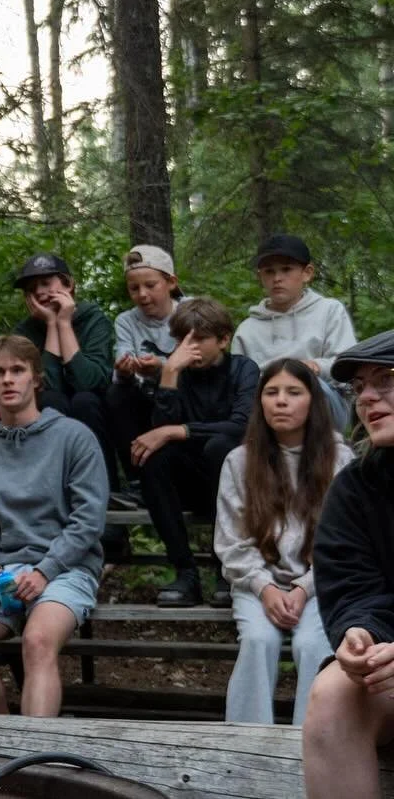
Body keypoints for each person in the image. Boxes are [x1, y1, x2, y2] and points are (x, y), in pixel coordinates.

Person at [0, 335, 107, 717]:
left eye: (17, 370)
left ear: (36, 379)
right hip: (3, 574)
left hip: (65, 569)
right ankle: (3, 749)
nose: (8, 380)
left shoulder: (74, 437)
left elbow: (88, 519)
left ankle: (33, 762)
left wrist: (46, 570)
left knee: (37, 640)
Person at [215, 358, 349, 725]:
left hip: (321, 585)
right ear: (260, 402)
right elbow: (232, 542)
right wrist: (265, 588)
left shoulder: (340, 460)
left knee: (311, 645)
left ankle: (312, 744)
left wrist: (304, 589)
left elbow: (342, 545)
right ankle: (245, 748)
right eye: (271, 393)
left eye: (294, 392)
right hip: (256, 582)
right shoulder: (239, 461)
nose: (281, 401)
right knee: (259, 641)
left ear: (313, 402)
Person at [302, 333, 394, 799]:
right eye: (360, 387)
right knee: (336, 691)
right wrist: (362, 632)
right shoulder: (355, 488)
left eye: (387, 379)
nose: (368, 397)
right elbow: (354, 588)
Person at [135, 298, 258, 607]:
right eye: (181, 340)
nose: (190, 347)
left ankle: (224, 571)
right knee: (155, 457)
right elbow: (158, 433)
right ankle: (185, 572)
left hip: (237, 484)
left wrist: (180, 431)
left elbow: (241, 426)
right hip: (190, 482)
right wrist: (168, 374)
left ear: (223, 339)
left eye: (200, 339)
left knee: (220, 448)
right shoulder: (178, 372)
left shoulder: (244, 369)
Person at [12, 252, 118, 484]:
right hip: (49, 411)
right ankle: (56, 484)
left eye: (46, 283)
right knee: (52, 402)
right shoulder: (24, 332)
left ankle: (106, 485)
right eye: (31, 289)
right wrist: (52, 324)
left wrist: (64, 323)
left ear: (68, 284)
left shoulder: (93, 319)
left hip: (95, 410)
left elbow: (88, 382)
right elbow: (48, 385)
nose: (39, 292)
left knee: (85, 400)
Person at [232, 234, 358, 429]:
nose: (277, 278)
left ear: (307, 273)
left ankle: (319, 448)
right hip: (267, 406)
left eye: (286, 269)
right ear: (260, 277)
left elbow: (348, 366)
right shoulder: (247, 330)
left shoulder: (329, 311)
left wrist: (316, 366)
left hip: (323, 398)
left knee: (312, 389)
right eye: (269, 271)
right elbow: (240, 383)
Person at [107, 245, 185, 487]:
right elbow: (123, 357)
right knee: (116, 395)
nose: (142, 294)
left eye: (150, 286)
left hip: (184, 396)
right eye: (134, 288)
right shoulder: (126, 321)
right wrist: (124, 371)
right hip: (145, 398)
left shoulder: (190, 311)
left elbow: (204, 364)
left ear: (170, 282)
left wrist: (162, 368)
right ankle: (136, 479)